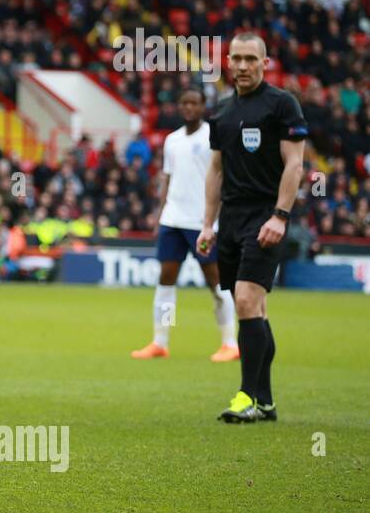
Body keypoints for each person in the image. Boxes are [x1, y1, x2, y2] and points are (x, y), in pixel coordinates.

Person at [198, 33, 307, 423]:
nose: (242, 66)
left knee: (244, 300)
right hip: (230, 219)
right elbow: (215, 170)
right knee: (253, 308)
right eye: (236, 58)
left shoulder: (282, 105)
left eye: (250, 59)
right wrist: (207, 224)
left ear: (264, 62)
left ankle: (246, 397)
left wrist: (280, 215)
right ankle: (267, 401)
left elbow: (295, 165)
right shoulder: (223, 112)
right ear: (228, 61)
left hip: (266, 215)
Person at [131, 86, 239, 361]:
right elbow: (167, 177)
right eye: (184, 103)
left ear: (203, 107)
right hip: (173, 219)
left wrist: (216, 217)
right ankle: (160, 341)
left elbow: (222, 176)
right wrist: (160, 211)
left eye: (194, 103)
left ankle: (230, 343)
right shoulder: (172, 140)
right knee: (166, 280)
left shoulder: (211, 137)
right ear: (179, 107)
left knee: (215, 282)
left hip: (201, 221)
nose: (189, 108)